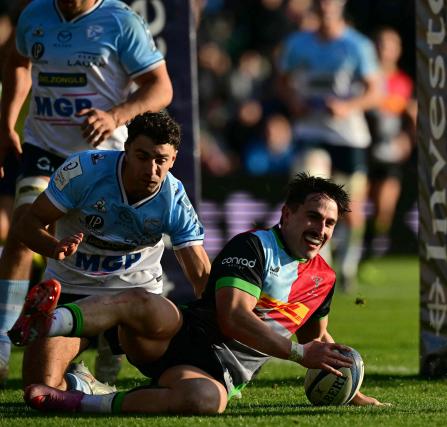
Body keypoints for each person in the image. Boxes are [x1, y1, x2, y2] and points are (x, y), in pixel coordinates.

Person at [11, 173, 383, 414]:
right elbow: (233, 317)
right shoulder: (253, 246)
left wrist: (351, 386)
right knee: (144, 301)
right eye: (313, 216)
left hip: (214, 373)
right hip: (177, 337)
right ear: (287, 214)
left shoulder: (324, 278)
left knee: (207, 402)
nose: (321, 228)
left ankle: (80, 399)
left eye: (330, 222)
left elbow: (317, 339)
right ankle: (48, 322)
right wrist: (301, 354)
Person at [0, 0, 173, 386]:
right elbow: (16, 62)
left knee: (109, 253)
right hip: (44, 149)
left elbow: (161, 86)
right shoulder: (35, 14)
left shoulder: (120, 20)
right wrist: (7, 121)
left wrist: (115, 115)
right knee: (21, 232)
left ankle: (111, 345)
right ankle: (2, 342)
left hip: (102, 158)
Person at [8, 111, 209, 398]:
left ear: (173, 159)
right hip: (73, 290)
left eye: (160, 160)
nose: (151, 169)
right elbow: (27, 224)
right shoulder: (83, 171)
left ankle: (114, 346)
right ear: (125, 149)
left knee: (187, 378)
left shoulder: (173, 197)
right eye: (142, 156)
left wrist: (221, 331)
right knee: (40, 389)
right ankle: (86, 382)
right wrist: (54, 247)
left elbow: (201, 274)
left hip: (135, 298)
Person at [277, 0, 381, 292]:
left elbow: (375, 91)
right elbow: (282, 81)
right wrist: (293, 101)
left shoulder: (357, 45)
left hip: (348, 135)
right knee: (315, 194)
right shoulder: (298, 43)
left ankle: (348, 265)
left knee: (351, 206)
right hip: (311, 131)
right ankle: (321, 267)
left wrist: (348, 106)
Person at [365, 27, 415, 258]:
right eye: (381, 44)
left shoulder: (404, 82)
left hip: (389, 154)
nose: (385, 50)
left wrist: (409, 139)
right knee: (354, 207)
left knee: (384, 208)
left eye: (391, 45)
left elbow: (411, 117)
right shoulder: (366, 78)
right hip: (365, 150)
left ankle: (372, 252)